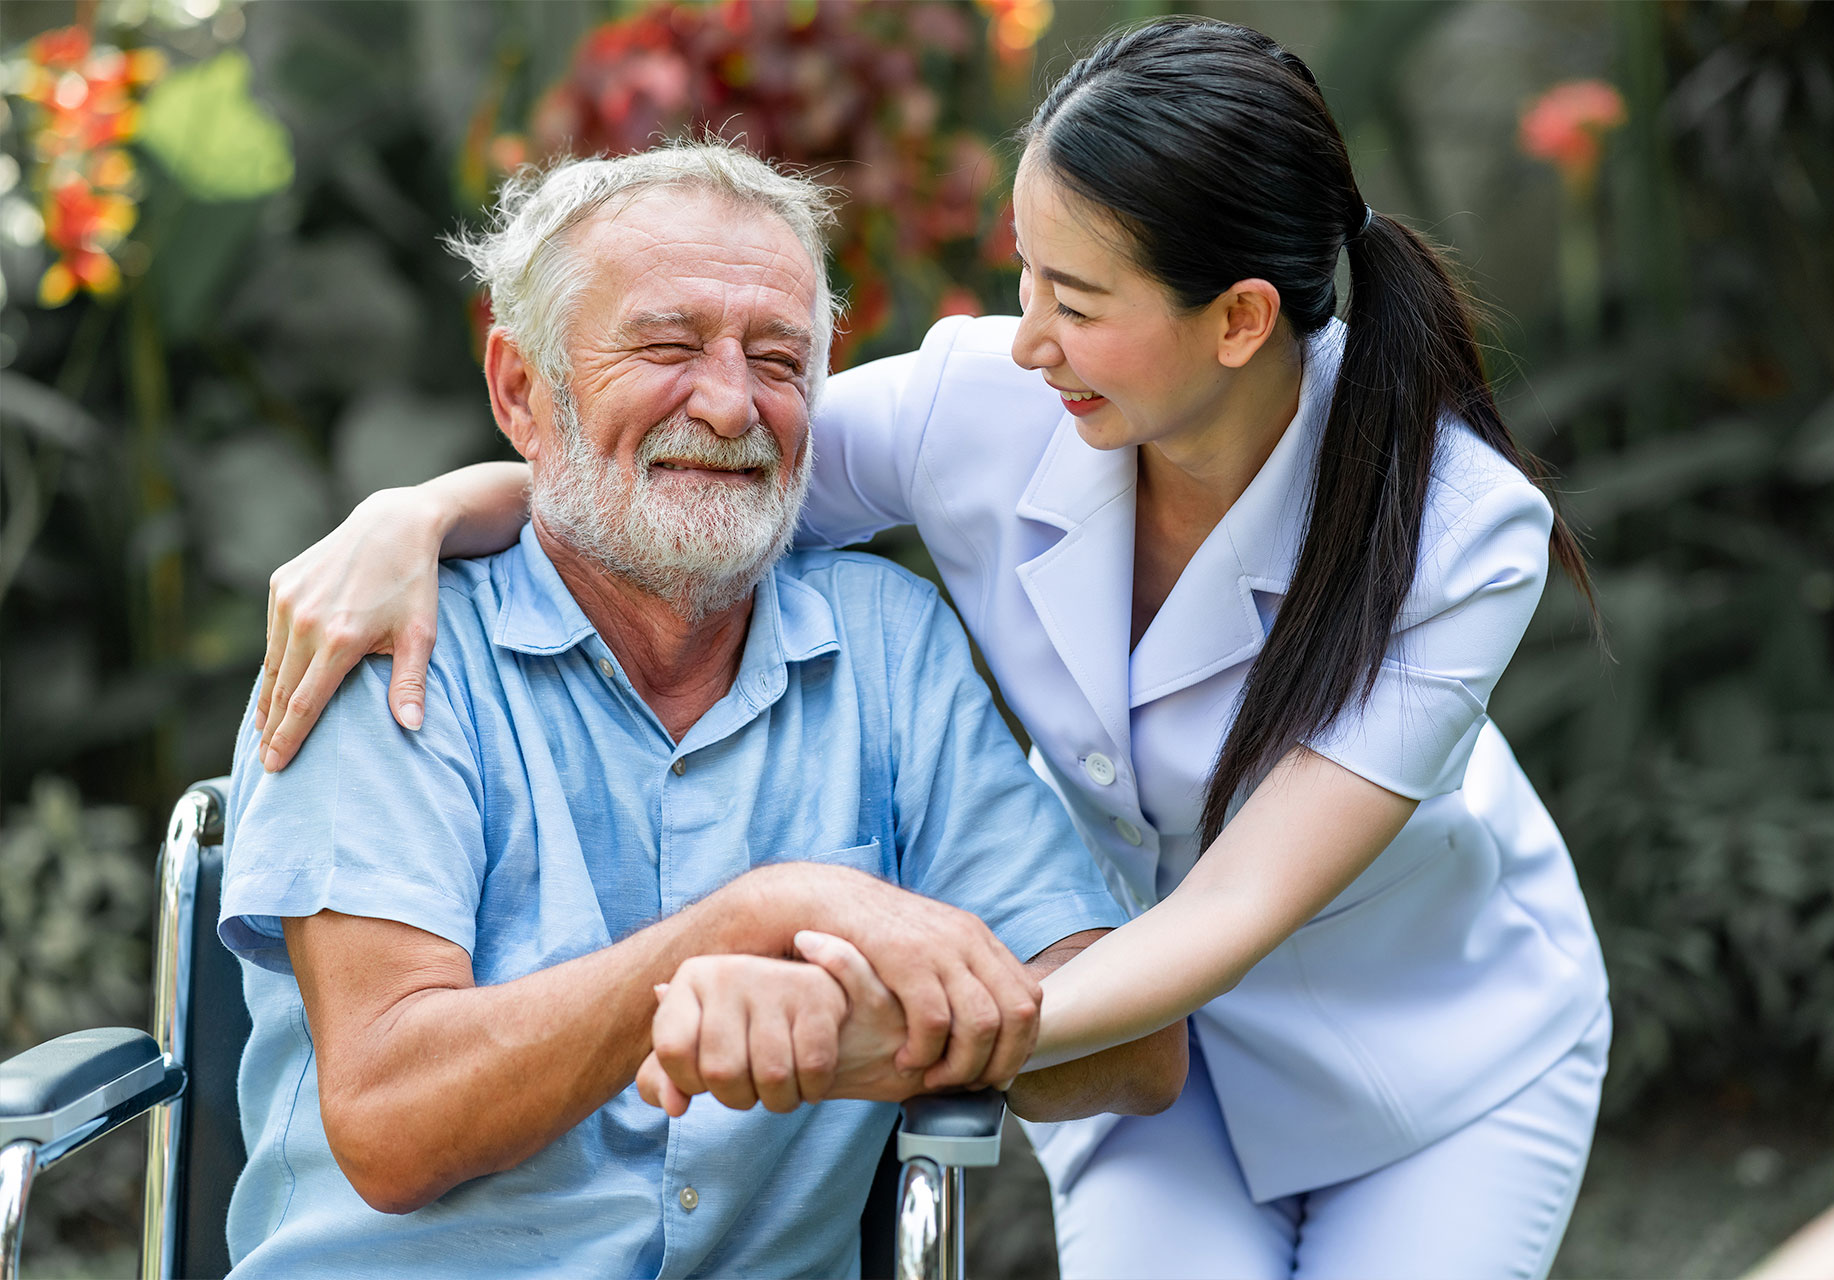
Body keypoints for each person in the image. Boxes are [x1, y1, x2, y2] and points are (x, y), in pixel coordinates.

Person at [257, 18, 1611, 1280]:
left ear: (1239, 320)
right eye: (1026, 277)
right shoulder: (983, 403)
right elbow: (698, 473)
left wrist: (849, 1031)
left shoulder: (1458, 529)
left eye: (1075, 298)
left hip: (1415, 1051)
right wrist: (416, 512)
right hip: (1118, 1048)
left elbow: (1223, 924)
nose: (1026, 338)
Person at [215, 143, 1183, 1279]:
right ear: (522, 390)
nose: (730, 405)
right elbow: (392, 1119)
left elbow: (1128, 1043)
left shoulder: (885, 643)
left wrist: (838, 1014)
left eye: (779, 360)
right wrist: (759, 916)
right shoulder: (387, 639)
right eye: (668, 345)